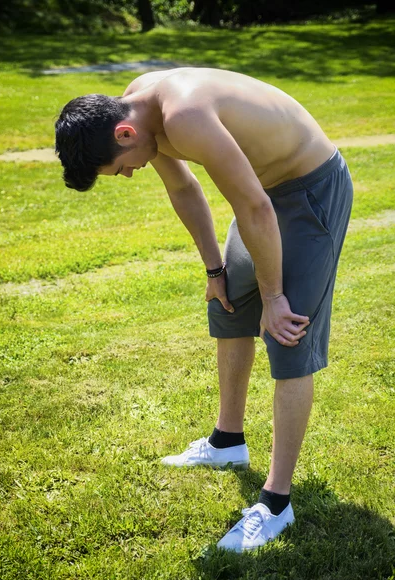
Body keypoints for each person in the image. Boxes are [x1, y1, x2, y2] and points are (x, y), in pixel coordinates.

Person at [55, 67, 353, 552]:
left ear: (123, 133)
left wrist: (274, 298)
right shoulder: (139, 110)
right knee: (230, 306)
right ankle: (227, 442)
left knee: (287, 333)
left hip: (308, 190)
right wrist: (216, 272)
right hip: (261, 195)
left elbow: (254, 207)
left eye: (122, 166)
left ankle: (277, 503)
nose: (130, 173)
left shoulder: (185, 113)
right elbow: (185, 189)